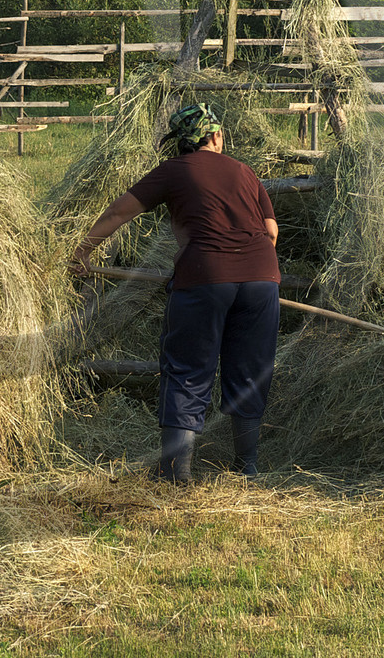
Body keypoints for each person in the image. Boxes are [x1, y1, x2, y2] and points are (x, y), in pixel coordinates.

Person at [68, 103, 281, 483]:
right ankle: (246, 468)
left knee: (188, 369)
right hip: (262, 279)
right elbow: (271, 232)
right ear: (215, 136)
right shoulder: (246, 173)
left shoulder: (174, 171)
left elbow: (119, 212)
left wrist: (81, 252)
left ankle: (174, 474)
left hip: (204, 278)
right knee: (249, 370)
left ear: (181, 143)